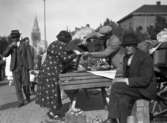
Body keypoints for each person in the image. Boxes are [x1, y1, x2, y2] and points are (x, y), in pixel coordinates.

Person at [104, 33, 157, 123]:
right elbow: (126, 75)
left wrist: (124, 81)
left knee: (116, 86)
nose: (127, 48)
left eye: (130, 45)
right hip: (133, 89)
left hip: (145, 90)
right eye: (125, 46)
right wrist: (122, 80)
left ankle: (112, 118)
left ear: (135, 46)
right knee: (122, 100)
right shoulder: (126, 58)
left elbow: (145, 80)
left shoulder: (145, 58)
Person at [35, 30, 78, 120]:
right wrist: (75, 54)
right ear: (66, 39)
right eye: (69, 40)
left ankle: (53, 112)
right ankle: (54, 114)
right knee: (54, 93)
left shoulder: (54, 43)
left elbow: (58, 56)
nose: (69, 42)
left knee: (51, 93)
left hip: (46, 71)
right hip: (51, 72)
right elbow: (65, 58)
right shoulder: (61, 45)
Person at [3, 30, 34, 107]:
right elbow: (5, 54)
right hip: (15, 68)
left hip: (24, 67)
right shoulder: (11, 46)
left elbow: (29, 56)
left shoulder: (25, 45)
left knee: (26, 84)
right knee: (17, 86)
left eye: (15, 37)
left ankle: (27, 96)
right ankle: (21, 101)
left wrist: (30, 67)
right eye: (12, 37)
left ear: (18, 37)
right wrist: (10, 47)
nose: (13, 39)